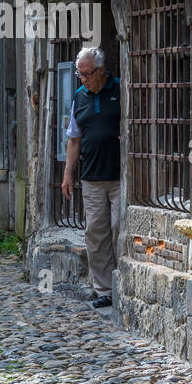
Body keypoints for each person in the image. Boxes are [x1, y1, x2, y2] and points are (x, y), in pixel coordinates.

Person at [61, 46, 121, 309]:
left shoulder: (120, 89)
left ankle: (124, 284)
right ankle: (104, 290)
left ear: (101, 70)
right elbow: (74, 139)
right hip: (92, 177)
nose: (83, 79)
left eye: (87, 74)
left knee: (120, 230)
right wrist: (67, 175)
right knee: (95, 234)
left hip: (120, 175)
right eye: (80, 74)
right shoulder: (79, 96)